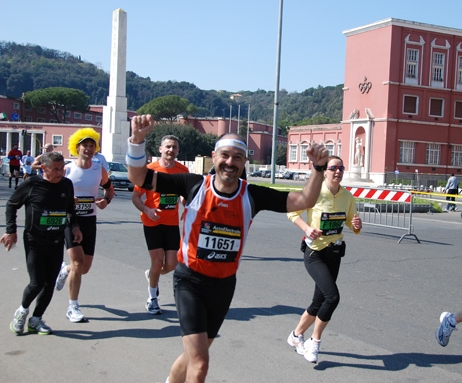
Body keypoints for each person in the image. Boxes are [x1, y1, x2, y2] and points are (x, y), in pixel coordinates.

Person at [126, 114, 329, 383]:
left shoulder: (252, 195)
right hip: (190, 281)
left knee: (193, 356)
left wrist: (318, 168)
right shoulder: (193, 184)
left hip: (223, 286)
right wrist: (137, 141)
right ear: (214, 156)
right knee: (200, 364)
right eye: (225, 155)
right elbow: (139, 177)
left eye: (237, 157)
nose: (230, 162)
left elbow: (304, 199)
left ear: (245, 162)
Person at [286, 155, 362, 364]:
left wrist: (356, 224)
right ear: (325, 171)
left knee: (319, 301)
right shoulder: (315, 192)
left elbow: (353, 226)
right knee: (332, 297)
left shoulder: (347, 197)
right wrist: (307, 228)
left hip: (335, 253)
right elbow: (292, 213)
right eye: (333, 168)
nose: (338, 171)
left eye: (341, 168)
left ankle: (295, 336)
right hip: (314, 254)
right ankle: (314, 341)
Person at [1, 152, 82, 335]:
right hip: (34, 241)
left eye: (62, 168)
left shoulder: (66, 184)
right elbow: (12, 204)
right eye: (55, 169)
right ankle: (21, 312)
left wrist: (75, 226)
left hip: (56, 241)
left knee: (49, 283)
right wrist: (10, 230)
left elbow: (70, 209)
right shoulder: (32, 184)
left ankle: (36, 319)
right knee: (37, 282)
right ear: (44, 168)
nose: (60, 172)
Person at [54, 128, 114, 323]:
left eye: (91, 146)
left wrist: (105, 201)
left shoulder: (99, 169)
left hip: (90, 220)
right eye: (84, 146)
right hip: (71, 221)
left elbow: (109, 189)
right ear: (76, 147)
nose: (88, 149)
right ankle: (73, 307)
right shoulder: (68, 169)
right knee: (78, 263)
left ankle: (65, 270)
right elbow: (54, 191)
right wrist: (68, 200)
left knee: (84, 268)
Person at [131, 134, 189, 315]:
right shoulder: (149, 170)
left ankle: (152, 275)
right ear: (160, 149)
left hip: (171, 223)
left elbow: (184, 194)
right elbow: (135, 197)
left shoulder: (183, 170)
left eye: (174, 147)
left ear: (178, 151)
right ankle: (152, 299)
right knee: (157, 261)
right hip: (152, 222)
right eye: (168, 147)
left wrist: (185, 205)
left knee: (171, 264)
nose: (171, 150)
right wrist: (148, 210)